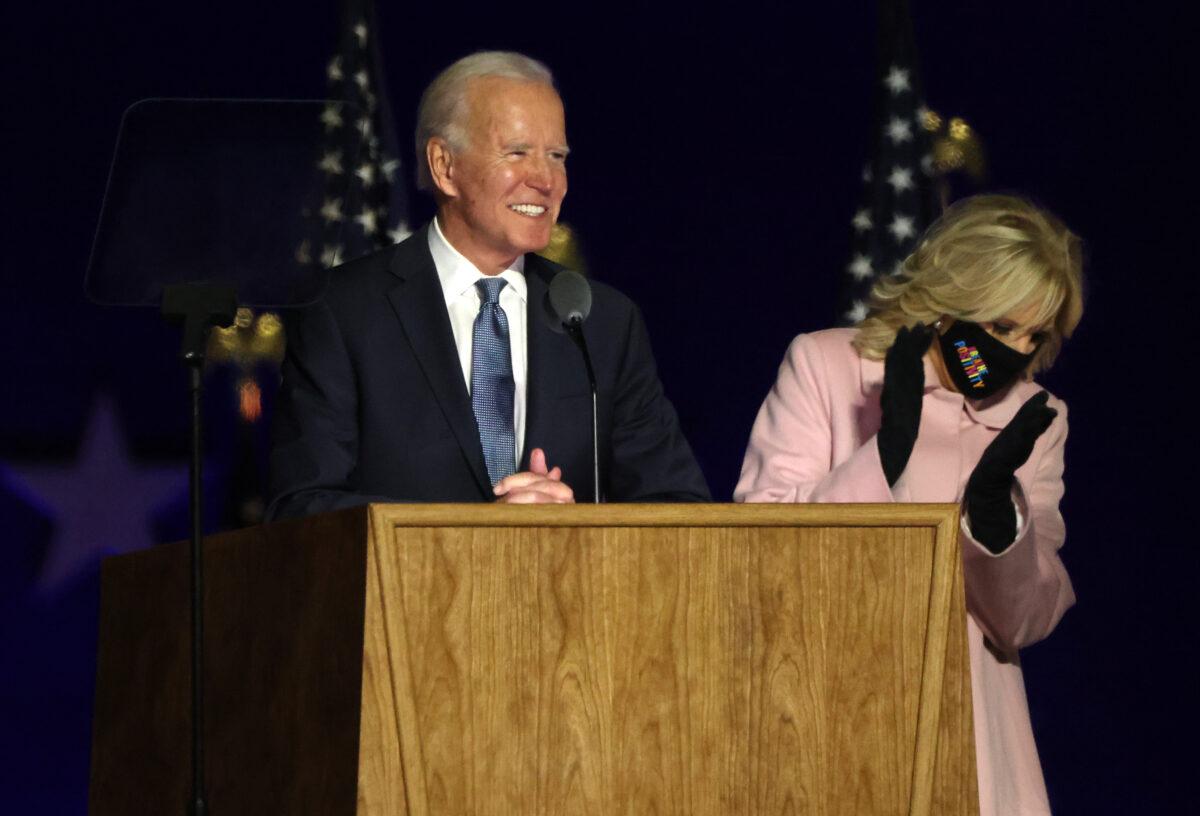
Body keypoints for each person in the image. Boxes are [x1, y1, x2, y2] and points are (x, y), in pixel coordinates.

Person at [735, 194, 1083, 816]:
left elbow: (1024, 621)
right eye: (1002, 327)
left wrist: (997, 527)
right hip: (829, 715)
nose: (1016, 352)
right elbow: (763, 558)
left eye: (1035, 336)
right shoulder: (826, 366)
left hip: (973, 741)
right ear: (949, 298)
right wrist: (883, 456)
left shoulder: (1037, 420)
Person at [265, 51, 709, 519]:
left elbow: (678, 506)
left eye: (557, 156)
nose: (546, 180)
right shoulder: (344, 310)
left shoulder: (604, 323)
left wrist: (578, 523)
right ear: (444, 166)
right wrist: (477, 528)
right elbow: (301, 506)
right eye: (517, 152)